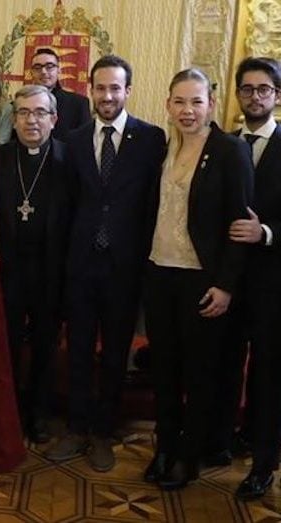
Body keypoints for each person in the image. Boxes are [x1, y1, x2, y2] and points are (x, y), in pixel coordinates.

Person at [45, 56, 166, 472]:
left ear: (128, 90)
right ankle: (77, 427)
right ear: (90, 90)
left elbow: (154, 204)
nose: (108, 96)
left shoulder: (151, 139)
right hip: (80, 266)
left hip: (125, 268)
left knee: (115, 353)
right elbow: (65, 207)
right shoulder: (74, 141)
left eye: (116, 88)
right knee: (78, 350)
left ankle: (103, 432)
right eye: (101, 88)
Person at [142, 68, 251, 490]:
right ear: (168, 105)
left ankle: (190, 457)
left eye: (196, 101)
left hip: (201, 281)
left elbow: (240, 226)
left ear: (211, 103)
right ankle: (165, 447)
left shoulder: (229, 150)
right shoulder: (163, 148)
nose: (188, 111)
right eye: (180, 102)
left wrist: (225, 285)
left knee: (200, 372)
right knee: (164, 370)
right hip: (159, 273)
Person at [0, 85, 70, 444]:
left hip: (49, 269)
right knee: (6, 341)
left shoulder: (68, 162)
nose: (31, 120)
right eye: (23, 112)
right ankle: (7, 410)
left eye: (40, 112)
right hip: (8, 270)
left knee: (45, 343)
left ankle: (40, 413)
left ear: (53, 119)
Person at [224, 57, 281, 500]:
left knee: (267, 376)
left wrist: (265, 232)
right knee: (223, 365)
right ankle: (225, 440)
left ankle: (264, 463)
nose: (255, 96)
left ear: (277, 97)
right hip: (228, 280)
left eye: (264, 89)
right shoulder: (226, 144)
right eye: (248, 89)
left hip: (272, 285)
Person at [30, 48, 91, 141]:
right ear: (31, 73)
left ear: (59, 70)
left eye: (49, 67)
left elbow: (85, 141)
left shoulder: (79, 104)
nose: (43, 71)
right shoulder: (21, 104)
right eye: (37, 68)